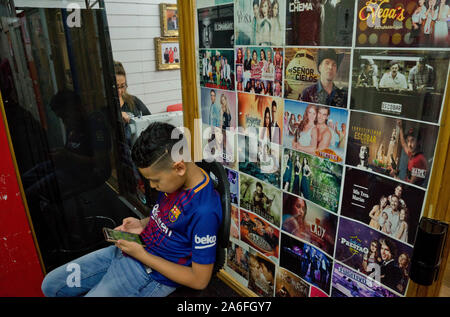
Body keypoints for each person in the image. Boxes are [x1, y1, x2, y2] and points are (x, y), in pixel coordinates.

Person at [41, 122, 222, 296]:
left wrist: (141, 255)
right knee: (51, 286)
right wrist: (142, 223)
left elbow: (199, 280)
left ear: (180, 167)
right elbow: (170, 219)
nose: (152, 186)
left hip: (151, 274)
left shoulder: (204, 211)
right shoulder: (174, 179)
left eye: (155, 180)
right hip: (133, 249)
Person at [396, 120, 428, 186]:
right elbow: (404, 144)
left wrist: (395, 178)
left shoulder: (419, 160)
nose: (409, 144)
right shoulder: (413, 154)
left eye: (412, 140)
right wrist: (401, 128)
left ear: (418, 142)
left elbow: (410, 185)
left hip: (412, 193)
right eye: (408, 141)